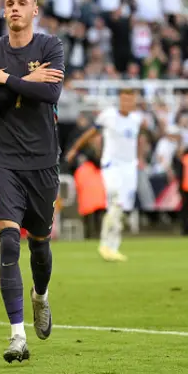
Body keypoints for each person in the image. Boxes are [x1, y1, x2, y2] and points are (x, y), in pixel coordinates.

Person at [0, 0, 65, 363]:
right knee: (9, 242)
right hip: (5, 161)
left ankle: (40, 297)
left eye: (21, 3)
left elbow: (52, 95)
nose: (14, 8)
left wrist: (6, 81)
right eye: (9, 3)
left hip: (43, 161)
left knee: (40, 244)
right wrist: (26, 83)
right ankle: (17, 337)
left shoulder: (50, 46)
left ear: (34, 11)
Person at [66, 89, 143, 262]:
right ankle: (106, 245)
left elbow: (138, 140)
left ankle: (112, 246)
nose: (127, 104)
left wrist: (140, 158)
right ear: (120, 101)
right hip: (112, 165)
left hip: (129, 168)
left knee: (122, 209)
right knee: (116, 199)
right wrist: (74, 149)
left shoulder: (136, 120)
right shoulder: (108, 116)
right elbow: (91, 134)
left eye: (130, 101)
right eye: (124, 100)